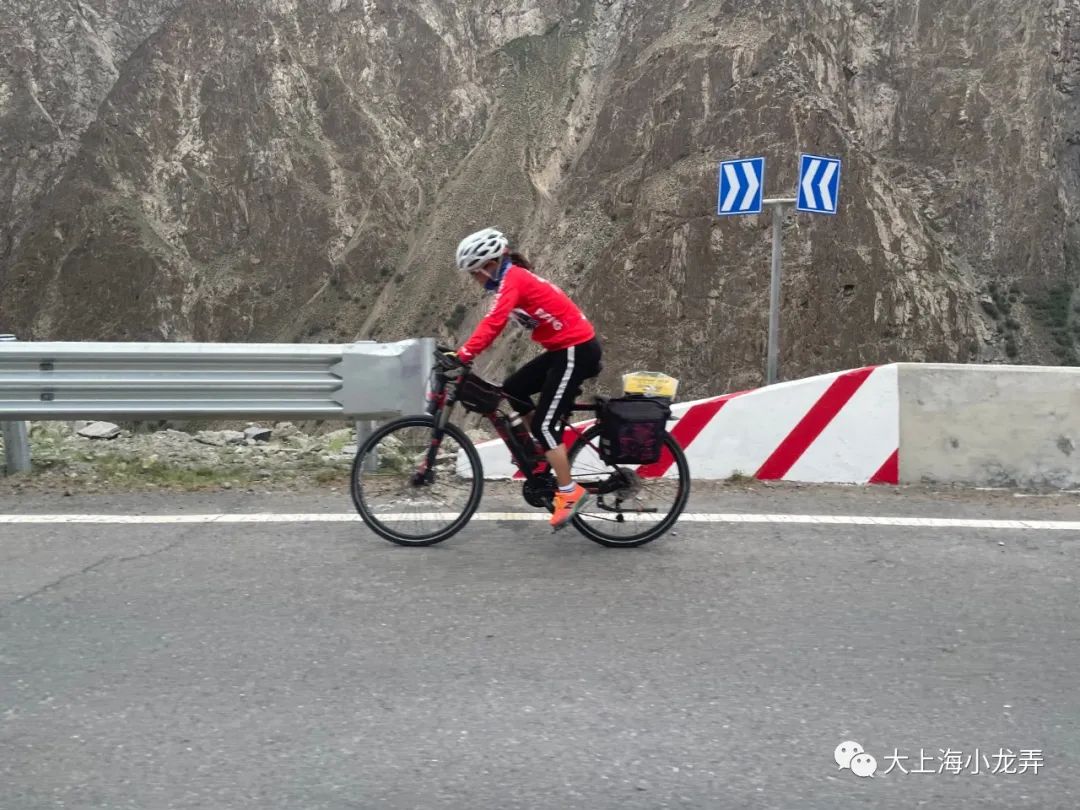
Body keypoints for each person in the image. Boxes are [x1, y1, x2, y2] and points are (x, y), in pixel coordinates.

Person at [451, 227, 602, 531]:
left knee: (545, 425)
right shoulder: (511, 278)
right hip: (564, 349)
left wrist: (464, 354)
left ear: (489, 265)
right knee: (514, 389)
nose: (475, 280)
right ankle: (544, 448)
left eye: (475, 273)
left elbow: (493, 322)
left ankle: (570, 493)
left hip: (576, 349)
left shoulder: (514, 280)